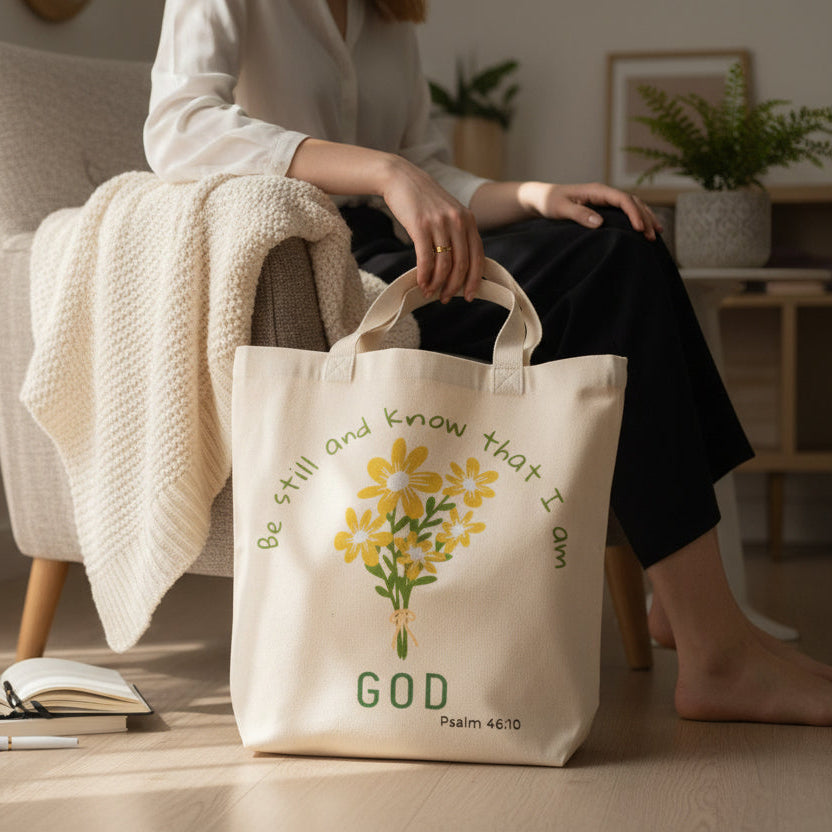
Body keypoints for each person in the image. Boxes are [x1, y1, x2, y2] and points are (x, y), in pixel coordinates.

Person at [144, 0, 832, 725]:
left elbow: (429, 168)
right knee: (610, 272)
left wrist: (536, 195)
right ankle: (715, 650)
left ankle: (693, 608)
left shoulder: (387, 15)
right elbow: (179, 125)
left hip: (409, 245)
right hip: (328, 266)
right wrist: (383, 170)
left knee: (627, 237)